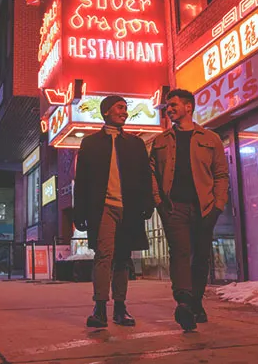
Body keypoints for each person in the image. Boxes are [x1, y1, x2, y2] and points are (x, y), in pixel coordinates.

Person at [150, 89, 229, 331]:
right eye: (167, 106)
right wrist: (159, 202)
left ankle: (196, 301)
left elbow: (221, 175)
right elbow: (152, 173)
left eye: (173, 105)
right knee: (180, 253)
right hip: (174, 208)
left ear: (188, 107)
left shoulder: (210, 138)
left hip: (204, 207)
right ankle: (184, 302)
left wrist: (218, 205)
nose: (169, 109)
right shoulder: (161, 141)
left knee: (201, 257)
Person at [73, 95, 154, 328]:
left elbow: (144, 177)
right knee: (103, 256)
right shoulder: (90, 143)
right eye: (120, 108)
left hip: (128, 209)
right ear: (106, 111)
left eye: (126, 109)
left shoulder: (135, 143)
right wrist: (80, 213)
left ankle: (120, 308)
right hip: (103, 208)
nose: (125, 112)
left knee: (122, 259)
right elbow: (82, 182)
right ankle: (99, 308)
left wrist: (147, 204)